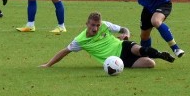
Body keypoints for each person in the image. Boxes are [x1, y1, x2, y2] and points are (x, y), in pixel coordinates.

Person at [39, 11, 175, 69]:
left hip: (123, 45)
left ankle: (159, 54)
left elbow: (123, 29)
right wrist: (48, 64)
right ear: (86, 24)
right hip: (117, 60)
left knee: (138, 49)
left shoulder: (105, 25)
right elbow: (65, 51)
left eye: (97, 25)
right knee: (150, 64)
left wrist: (126, 35)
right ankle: (155, 56)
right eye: (93, 25)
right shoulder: (80, 40)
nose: (96, 28)